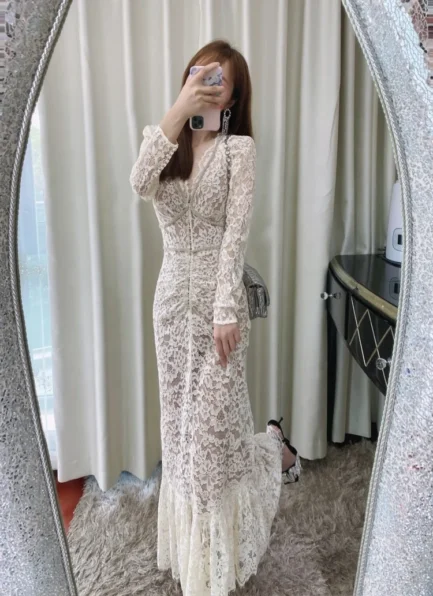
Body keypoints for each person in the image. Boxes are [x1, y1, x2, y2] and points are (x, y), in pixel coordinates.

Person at [129, 39, 301, 596]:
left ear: (233, 97)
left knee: (209, 446)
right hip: (169, 310)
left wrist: (227, 308)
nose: (207, 86)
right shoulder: (164, 143)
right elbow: (138, 183)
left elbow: (235, 236)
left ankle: (271, 454)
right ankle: (271, 446)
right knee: (181, 439)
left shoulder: (238, 151)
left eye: (219, 81)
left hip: (219, 313)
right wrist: (178, 111)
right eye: (200, 75)